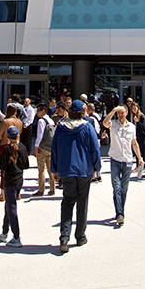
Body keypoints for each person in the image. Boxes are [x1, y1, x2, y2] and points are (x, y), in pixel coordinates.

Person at [51, 99, 101, 253]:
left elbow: (55, 148)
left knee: (67, 202)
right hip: (84, 170)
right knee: (82, 202)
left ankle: (64, 238)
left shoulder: (60, 127)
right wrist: (96, 167)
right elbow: (95, 148)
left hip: (66, 170)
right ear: (82, 112)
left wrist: (54, 169)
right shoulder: (87, 127)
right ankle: (80, 236)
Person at [103, 105, 144, 226]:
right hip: (115, 159)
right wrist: (113, 110)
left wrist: (139, 158)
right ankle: (119, 214)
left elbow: (134, 142)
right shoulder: (113, 124)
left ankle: (121, 210)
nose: (120, 115)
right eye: (119, 113)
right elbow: (105, 123)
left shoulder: (131, 127)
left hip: (127, 160)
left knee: (124, 189)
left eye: (122, 112)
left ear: (126, 113)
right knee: (116, 187)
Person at [0, 126, 29, 247]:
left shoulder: (6, 149)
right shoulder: (23, 148)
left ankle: (16, 236)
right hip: (19, 179)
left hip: (9, 180)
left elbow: (2, 167)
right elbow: (26, 165)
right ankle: (4, 232)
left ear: (8, 137)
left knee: (11, 207)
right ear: (18, 136)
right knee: (8, 206)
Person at [32, 108, 56, 196]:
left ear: (43, 111)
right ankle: (52, 188)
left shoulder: (41, 121)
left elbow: (40, 135)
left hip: (42, 148)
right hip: (51, 147)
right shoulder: (51, 121)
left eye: (38, 111)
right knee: (50, 169)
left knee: (41, 169)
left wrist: (36, 147)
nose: (37, 113)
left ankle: (41, 189)